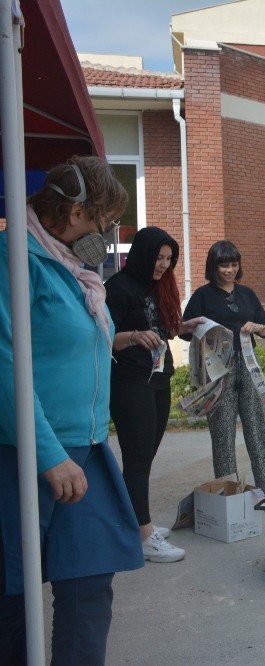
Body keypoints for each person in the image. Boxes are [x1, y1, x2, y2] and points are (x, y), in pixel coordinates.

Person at [0, 156, 144, 664]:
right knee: (12, 601)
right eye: (108, 223)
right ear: (79, 213)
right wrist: (46, 454)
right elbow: (4, 361)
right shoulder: (12, 256)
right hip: (25, 455)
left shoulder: (72, 269)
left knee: (88, 585)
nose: (108, 236)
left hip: (85, 449)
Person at [105, 226, 203, 564]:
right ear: (142, 254)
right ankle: (144, 535)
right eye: (158, 258)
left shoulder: (155, 288)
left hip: (159, 378)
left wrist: (182, 328)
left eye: (168, 259)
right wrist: (132, 336)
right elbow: (101, 338)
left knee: (145, 457)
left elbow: (158, 329)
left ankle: (131, 524)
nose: (163, 265)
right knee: (137, 458)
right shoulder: (117, 288)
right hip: (130, 382)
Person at [182, 240, 265, 489]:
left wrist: (258, 327)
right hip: (217, 369)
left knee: (257, 427)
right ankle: (228, 492)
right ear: (213, 266)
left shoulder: (247, 294)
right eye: (224, 265)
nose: (229, 270)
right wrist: (204, 329)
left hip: (248, 364)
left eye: (234, 264)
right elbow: (184, 331)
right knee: (223, 433)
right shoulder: (202, 296)